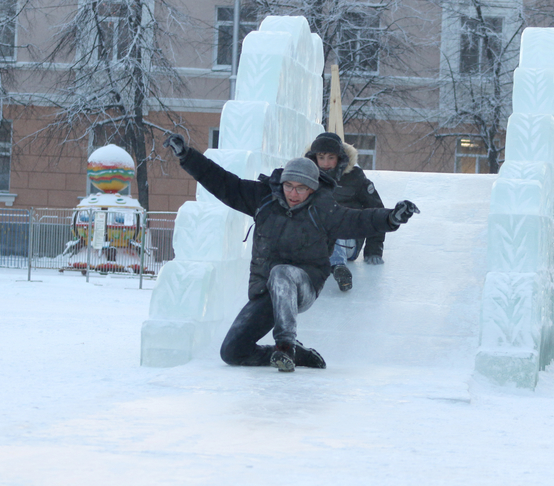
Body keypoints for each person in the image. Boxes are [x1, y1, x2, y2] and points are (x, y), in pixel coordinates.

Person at [163, 134, 420, 372]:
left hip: (304, 286)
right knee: (232, 352)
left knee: (282, 272)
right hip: (267, 291)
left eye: (301, 188)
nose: (293, 194)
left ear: (312, 188)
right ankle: (291, 354)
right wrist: (187, 155)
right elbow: (224, 183)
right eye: (289, 186)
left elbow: (360, 220)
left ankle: (285, 344)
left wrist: (392, 217)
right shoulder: (264, 199)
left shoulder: (324, 209)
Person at [305, 132, 385, 292]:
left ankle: (338, 267)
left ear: (340, 157)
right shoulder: (308, 177)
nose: (325, 163)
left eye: (331, 157)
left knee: (332, 219)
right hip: (314, 241)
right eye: (321, 157)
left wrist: (374, 249)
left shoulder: (355, 178)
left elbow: (377, 212)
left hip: (346, 240)